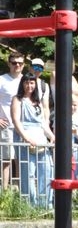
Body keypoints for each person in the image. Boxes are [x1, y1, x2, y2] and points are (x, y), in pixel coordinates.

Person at [11, 72, 55, 208]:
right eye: (26, 82)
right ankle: (29, 205)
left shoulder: (38, 102)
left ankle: (45, 204)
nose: (29, 85)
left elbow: (43, 124)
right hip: (25, 138)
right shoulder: (17, 100)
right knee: (27, 173)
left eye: (32, 82)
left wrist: (52, 136)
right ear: (22, 84)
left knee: (46, 170)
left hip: (41, 139)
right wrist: (27, 138)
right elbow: (16, 121)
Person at [0, 52, 25, 189]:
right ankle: (4, 192)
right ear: (8, 63)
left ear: (23, 65)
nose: (17, 65)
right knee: (6, 159)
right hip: (7, 125)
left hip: (24, 126)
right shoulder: (2, 80)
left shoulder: (27, 80)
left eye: (20, 63)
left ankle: (22, 190)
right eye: (14, 62)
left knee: (22, 158)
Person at [29, 58, 50, 126]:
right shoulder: (21, 81)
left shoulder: (44, 85)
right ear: (30, 68)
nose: (37, 70)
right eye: (35, 67)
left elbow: (45, 106)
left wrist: (46, 121)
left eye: (40, 68)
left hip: (39, 121)